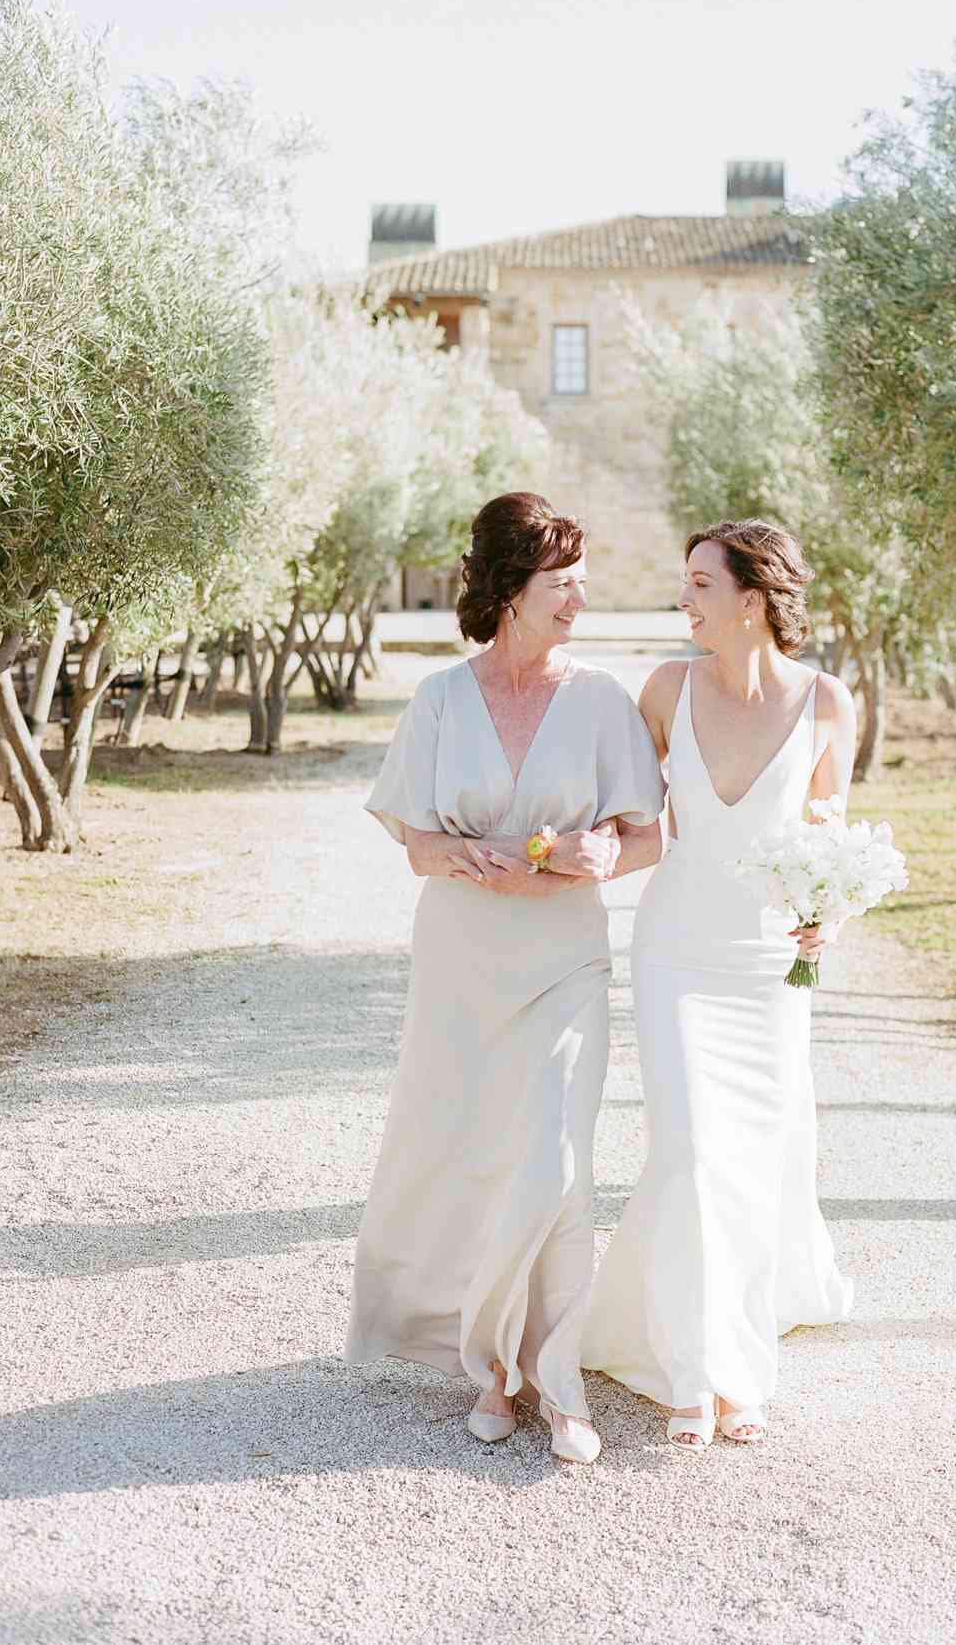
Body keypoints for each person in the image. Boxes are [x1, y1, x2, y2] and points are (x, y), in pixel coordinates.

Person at [345, 491, 664, 1465]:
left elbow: (644, 835)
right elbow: (414, 843)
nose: (576, 601)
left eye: (579, 584)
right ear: (509, 591)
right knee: (480, 1153)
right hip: (461, 960)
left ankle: (559, 1381)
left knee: (557, 1161)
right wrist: (458, 857)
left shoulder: (603, 699)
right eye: (559, 585)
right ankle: (493, 1369)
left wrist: (602, 855)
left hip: (564, 956)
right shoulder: (440, 701)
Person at [582, 518, 855, 1450]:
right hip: (678, 957)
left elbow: (831, 843)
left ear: (753, 597)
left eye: (701, 583)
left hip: (768, 970)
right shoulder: (665, 690)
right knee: (696, 1153)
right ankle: (701, 1375)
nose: (684, 598)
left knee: (748, 1161)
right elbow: (645, 828)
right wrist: (569, 862)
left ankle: (720, 1355)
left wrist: (833, 914)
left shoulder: (828, 704)